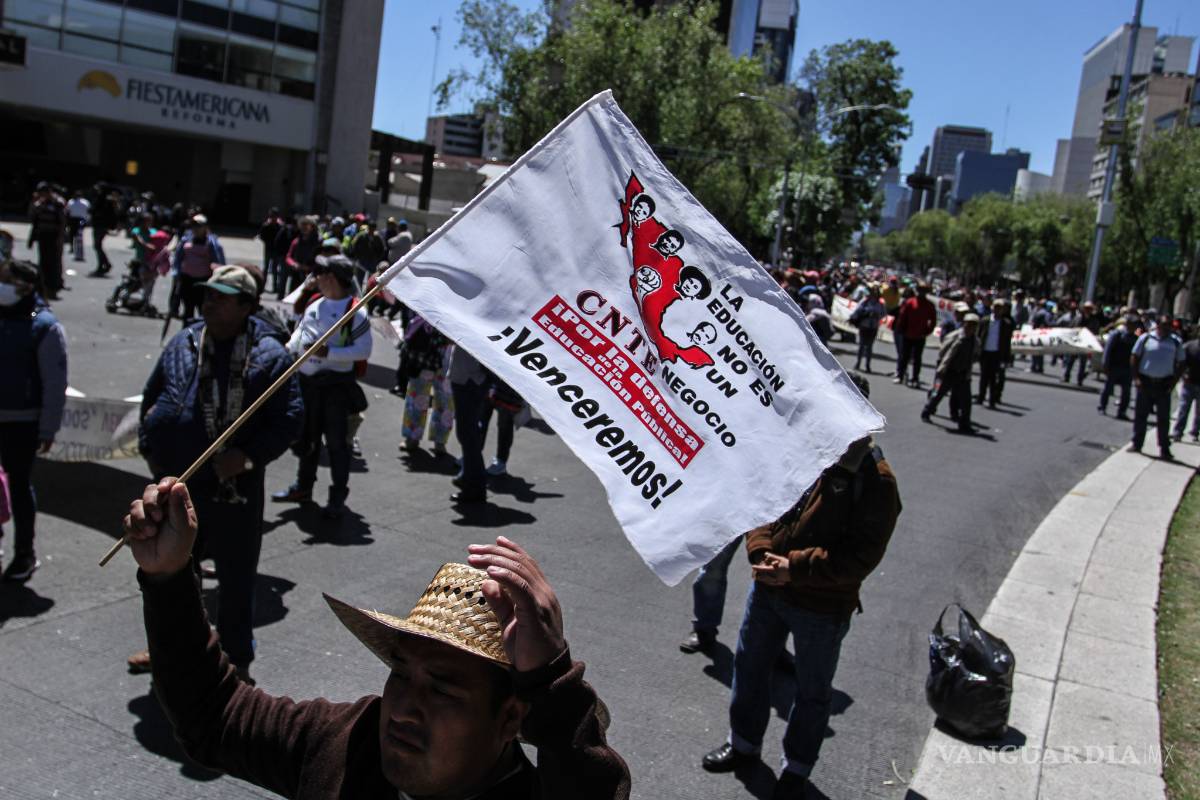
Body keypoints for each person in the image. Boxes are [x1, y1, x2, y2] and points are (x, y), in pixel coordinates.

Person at [122, 479, 631, 799]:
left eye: (443, 689)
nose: (405, 708)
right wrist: (169, 578)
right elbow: (216, 718)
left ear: (510, 718)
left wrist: (552, 684)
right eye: (401, 674)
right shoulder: (347, 741)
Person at [700, 412, 901, 800]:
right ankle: (743, 744)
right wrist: (761, 551)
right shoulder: (805, 450)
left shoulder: (877, 480)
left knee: (812, 691)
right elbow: (764, 502)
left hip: (822, 607)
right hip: (769, 591)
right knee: (750, 668)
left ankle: (796, 769)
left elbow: (860, 557)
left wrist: (793, 568)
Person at [133, 265, 302, 680]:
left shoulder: (270, 356)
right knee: (174, 574)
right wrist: (150, 439)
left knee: (236, 578)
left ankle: (236, 661)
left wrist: (247, 457)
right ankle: (169, 648)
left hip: (233, 491)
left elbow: (290, 420)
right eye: (208, 295)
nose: (209, 303)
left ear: (246, 306)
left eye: (221, 297)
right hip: (179, 484)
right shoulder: (186, 340)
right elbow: (154, 392)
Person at [274, 255, 372, 519]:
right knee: (308, 439)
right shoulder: (315, 303)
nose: (316, 278)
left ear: (332, 277)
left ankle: (337, 496)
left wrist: (329, 353)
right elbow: (300, 332)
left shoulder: (355, 311)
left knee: (337, 444)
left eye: (321, 273)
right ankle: (303, 487)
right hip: (307, 385)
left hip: (336, 388)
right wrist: (287, 350)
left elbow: (364, 350)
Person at [0, 260, 67, 582]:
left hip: (22, 423)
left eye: (7, 280)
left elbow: (54, 383)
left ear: (26, 286)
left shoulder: (44, 326)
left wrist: (48, 428)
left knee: (18, 486)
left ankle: (24, 552)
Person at [1129, 314, 1185, 460]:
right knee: (1141, 415)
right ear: (1158, 325)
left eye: (1169, 325)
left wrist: (1173, 382)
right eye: (1164, 325)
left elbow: (1181, 363)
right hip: (1146, 382)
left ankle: (1164, 449)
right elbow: (1134, 356)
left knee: (1163, 419)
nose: (1166, 328)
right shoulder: (1145, 338)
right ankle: (1137, 443)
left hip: (1163, 385)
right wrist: (1136, 378)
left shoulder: (1175, 342)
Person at [399, 313, 454, 456]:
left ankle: (439, 440)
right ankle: (412, 437)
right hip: (426, 357)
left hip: (448, 361)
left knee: (446, 403)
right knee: (417, 398)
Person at [922, 313, 979, 433]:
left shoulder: (975, 340)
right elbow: (943, 352)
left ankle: (964, 424)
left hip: (963, 374)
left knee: (966, 401)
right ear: (964, 324)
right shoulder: (954, 336)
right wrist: (941, 368)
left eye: (974, 325)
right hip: (948, 371)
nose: (971, 328)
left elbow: (976, 354)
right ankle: (927, 411)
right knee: (937, 394)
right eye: (969, 325)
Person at [449, 345, 491, 505]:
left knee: (468, 434)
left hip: (469, 379)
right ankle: (470, 477)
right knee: (467, 433)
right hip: (469, 377)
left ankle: (474, 485)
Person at [172, 215, 226, 320]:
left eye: (199, 226)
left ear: (205, 227)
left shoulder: (212, 242)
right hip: (187, 279)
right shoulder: (186, 240)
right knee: (188, 309)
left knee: (203, 309)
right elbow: (178, 258)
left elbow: (219, 261)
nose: (196, 229)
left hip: (204, 281)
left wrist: (217, 270)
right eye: (194, 226)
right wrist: (176, 273)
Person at [28, 182, 67, 299]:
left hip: (53, 237)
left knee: (53, 263)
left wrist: (60, 238)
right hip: (43, 236)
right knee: (43, 263)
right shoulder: (39, 204)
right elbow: (33, 220)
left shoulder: (58, 203)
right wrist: (31, 239)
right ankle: (42, 288)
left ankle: (53, 288)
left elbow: (62, 223)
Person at [894, 284, 937, 387]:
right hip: (907, 335)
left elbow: (933, 321)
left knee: (917, 358)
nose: (921, 293)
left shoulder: (929, 305)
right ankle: (900, 375)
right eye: (920, 290)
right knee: (904, 356)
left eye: (924, 291)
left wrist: (927, 332)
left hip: (920, 336)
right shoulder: (910, 302)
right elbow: (902, 316)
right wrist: (901, 329)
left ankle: (915, 378)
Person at [1098, 314, 1138, 420]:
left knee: (1126, 392)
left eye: (1134, 325)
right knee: (1108, 388)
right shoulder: (1117, 334)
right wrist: (1105, 364)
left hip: (1127, 368)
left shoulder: (1135, 338)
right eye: (1131, 324)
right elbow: (1108, 349)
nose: (1133, 327)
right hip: (1114, 366)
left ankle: (1122, 411)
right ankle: (1102, 406)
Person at [976, 299, 1013, 408]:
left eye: (999, 308)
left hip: (996, 354)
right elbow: (978, 336)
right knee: (983, 376)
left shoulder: (1006, 324)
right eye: (995, 307)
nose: (997, 310)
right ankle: (981, 397)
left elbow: (1007, 342)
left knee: (993, 378)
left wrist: (1007, 357)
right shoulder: (985, 320)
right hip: (985, 352)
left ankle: (992, 400)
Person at [1172, 328, 1200, 443]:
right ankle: (1177, 432)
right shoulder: (1189, 346)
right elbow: (1180, 362)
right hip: (1189, 383)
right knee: (1183, 408)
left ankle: (1195, 432)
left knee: (1199, 412)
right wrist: (1183, 375)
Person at [283, 215, 321, 299]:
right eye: (302, 224)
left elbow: (321, 260)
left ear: (312, 227)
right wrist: (294, 264)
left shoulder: (318, 242)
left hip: (312, 276)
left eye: (306, 224)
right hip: (297, 275)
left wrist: (309, 267)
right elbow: (288, 256)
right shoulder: (296, 241)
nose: (304, 227)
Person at [849, 286, 885, 373]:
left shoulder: (880, 304)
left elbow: (883, 314)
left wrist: (876, 315)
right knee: (861, 345)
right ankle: (858, 363)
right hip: (864, 326)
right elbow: (857, 311)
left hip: (873, 327)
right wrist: (866, 313)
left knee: (869, 347)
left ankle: (867, 365)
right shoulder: (865, 301)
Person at [256, 207, 284, 294]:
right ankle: (263, 285)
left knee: (275, 268)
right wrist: (267, 241)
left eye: (275, 216)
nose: (273, 218)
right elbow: (261, 236)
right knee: (266, 268)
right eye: (272, 216)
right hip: (268, 248)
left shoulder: (280, 226)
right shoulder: (266, 225)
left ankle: (275, 286)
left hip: (276, 249)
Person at [65, 189, 90, 262]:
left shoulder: (72, 202)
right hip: (79, 220)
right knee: (76, 235)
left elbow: (68, 211)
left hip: (76, 219)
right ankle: (76, 249)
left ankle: (75, 249)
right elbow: (88, 211)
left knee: (74, 234)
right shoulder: (84, 202)